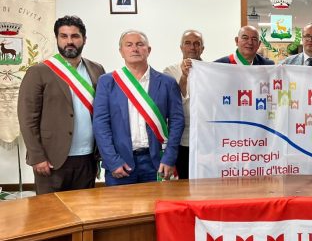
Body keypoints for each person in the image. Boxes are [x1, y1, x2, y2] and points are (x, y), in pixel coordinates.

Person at [17, 15, 105, 194]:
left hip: (87, 158)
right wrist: (37, 157)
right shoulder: (38, 71)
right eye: (64, 36)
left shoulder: (97, 70)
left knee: (84, 209)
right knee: (50, 210)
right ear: (57, 39)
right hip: (52, 160)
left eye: (75, 36)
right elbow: (27, 119)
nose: (69, 41)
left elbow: (102, 112)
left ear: (84, 39)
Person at [93, 30, 184, 185]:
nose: (134, 49)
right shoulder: (107, 82)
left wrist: (169, 157)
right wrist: (112, 160)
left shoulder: (167, 83)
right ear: (121, 51)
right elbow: (100, 124)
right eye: (129, 45)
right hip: (121, 163)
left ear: (149, 50)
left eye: (140, 44)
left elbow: (177, 122)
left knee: (158, 202)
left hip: (157, 162)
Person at [163, 29, 205, 179]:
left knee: (206, 182)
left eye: (197, 43)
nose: (192, 47)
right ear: (181, 47)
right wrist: (184, 77)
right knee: (183, 182)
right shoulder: (169, 72)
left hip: (205, 139)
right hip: (181, 139)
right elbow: (173, 102)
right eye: (188, 43)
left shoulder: (212, 71)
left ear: (202, 48)